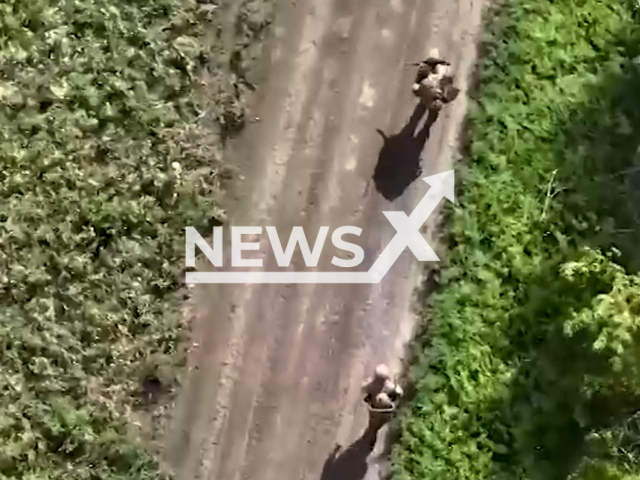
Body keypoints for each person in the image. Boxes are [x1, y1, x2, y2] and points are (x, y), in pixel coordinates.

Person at [361, 364, 403, 446]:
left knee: (373, 427)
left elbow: (363, 388)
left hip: (374, 412)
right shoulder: (389, 387)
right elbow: (400, 393)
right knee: (379, 425)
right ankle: (373, 434)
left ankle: (372, 439)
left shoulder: (371, 385)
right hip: (386, 413)